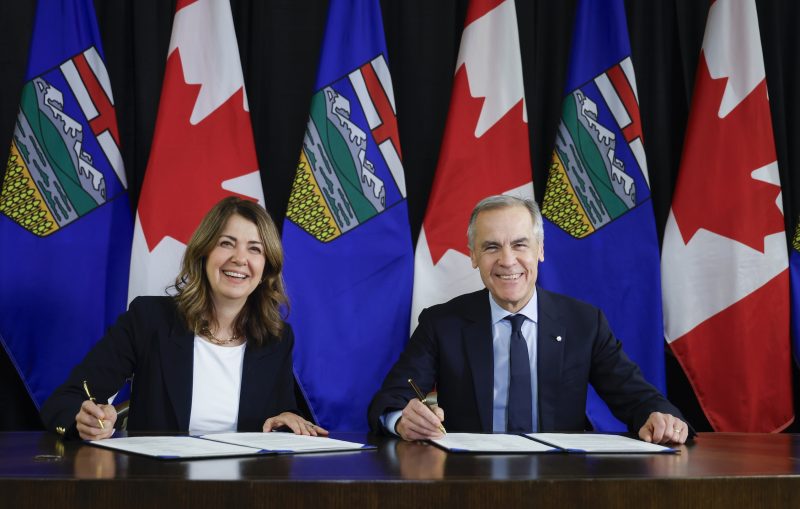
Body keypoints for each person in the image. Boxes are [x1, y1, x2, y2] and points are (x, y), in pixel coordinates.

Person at [368, 195, 690, 444]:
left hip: (560, 485)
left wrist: (659, 418)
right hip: (467, 483)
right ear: (473, 256)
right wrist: (400, 419)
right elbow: (390, 399)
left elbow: (638, 398)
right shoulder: (442, 324)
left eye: (520, 244)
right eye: (491, 247)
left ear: (540, 250)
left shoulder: (583, 323)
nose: (507, 260)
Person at [41, 196, 327, 440]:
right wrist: (86, 421)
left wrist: (288, 418)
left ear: (266, 269)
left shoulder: (276, 339)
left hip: (244, 491)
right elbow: (64, 402)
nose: (240, 258)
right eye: (227, 243)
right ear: (203, 254)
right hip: (160, 488)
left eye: (255, 248)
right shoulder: (149, 319)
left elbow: (278, 419)